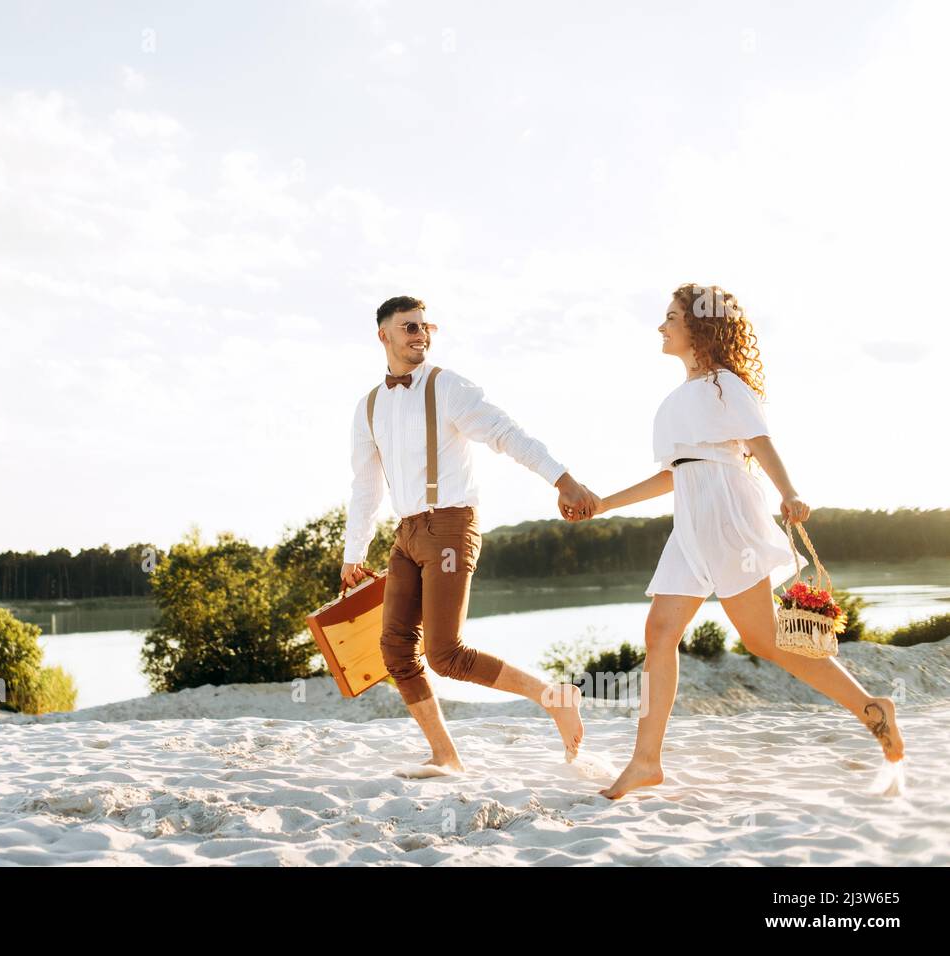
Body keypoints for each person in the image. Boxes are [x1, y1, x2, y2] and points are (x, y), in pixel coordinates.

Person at [590, 283, 905, 800]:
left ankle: (871, 707)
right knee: (660, 631)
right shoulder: (674, 400)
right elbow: (674, 473)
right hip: (690, 517)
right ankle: (646, 761)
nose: (661, 326)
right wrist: (604, 504)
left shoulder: (723, 385)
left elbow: (760, 442)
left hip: (726, 511)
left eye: (671, 317)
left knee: (764, 639)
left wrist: (790, 492)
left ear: (699, 326)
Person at [340, 295, 596, 776]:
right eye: (409, 327)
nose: (420, 334)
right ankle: (445, 754)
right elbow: (365, 486)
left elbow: (507, 433)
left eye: (424, 326)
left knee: (445, 654)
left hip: (451, 525)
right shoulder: (369, 407)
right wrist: (354, 553)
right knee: (395, 650)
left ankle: (554, 697)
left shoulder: (448, 387)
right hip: (407, 533)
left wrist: (563, 479)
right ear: (384, 336)